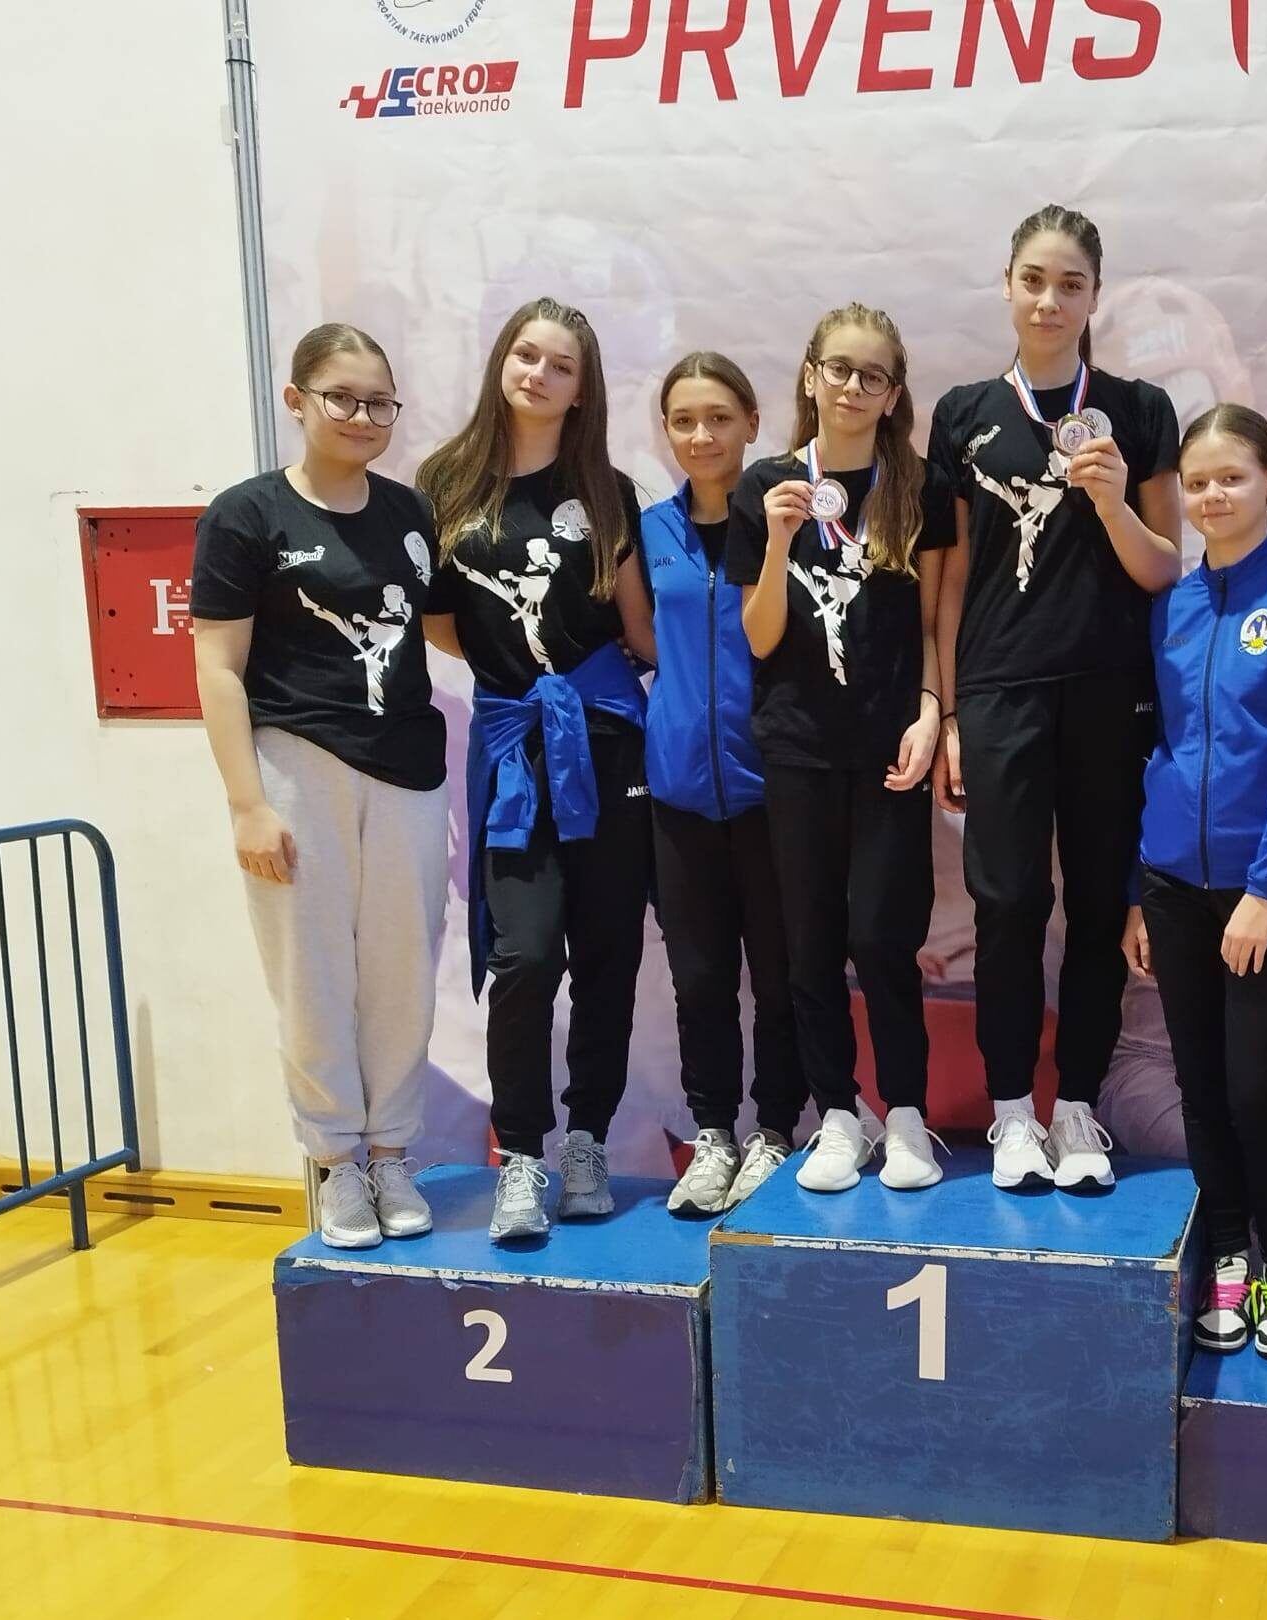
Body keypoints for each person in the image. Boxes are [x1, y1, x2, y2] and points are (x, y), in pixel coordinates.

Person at [928, 204, 1183, 1193]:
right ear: (1007, 285)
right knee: (1005, 904)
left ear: (1093, 297)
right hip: (999, 692)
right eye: (1033, 279)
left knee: (1095, 900)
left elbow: (1163, 566)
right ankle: (1009, 1113)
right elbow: (951, 578)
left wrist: (1111, 500)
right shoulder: (962, 413)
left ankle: (1074, 1106)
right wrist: (951, 712)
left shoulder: (1137, 409)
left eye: (1069, 284)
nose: (1048, 299)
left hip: (1109, 692)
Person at [190, 323, 448, 1250]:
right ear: (297, 399)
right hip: (296, 767)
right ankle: (337, 1162)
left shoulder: (411, 513)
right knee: (311, 975)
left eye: (380, 402)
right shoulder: (246, 515)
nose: (363, 416)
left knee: (402, 976)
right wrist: (247, 805)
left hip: (409, 772)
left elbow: (444, 627)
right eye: (342, 397)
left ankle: (392, 1153)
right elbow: (217, 665)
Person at [416, 297, 654, 1243]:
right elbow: (443, 626)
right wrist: (520, 678)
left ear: (583, 389)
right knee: (521, 957)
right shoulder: (445, 484)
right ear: (501, 362)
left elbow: (638, 630)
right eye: (527, 355)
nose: (539, 375)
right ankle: (519, 1153)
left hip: (607, 743)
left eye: (561, 365)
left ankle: (585, 1142)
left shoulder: (608, 490)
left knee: (607, 951)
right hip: (516, 743)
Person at [1122, 405, 1267, 1357]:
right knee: (1203, 1088)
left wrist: (1265, 888)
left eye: (1233, 477)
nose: (1213, 496)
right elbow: (1160, 750)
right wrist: (1138, 890)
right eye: (1198, 482)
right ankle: (1225, 1254)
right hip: (1174, 886)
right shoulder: (1173, 603)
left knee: (1260, 1091)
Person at [729, 303, 954, 1193]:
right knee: (811, 942)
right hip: (798, 745)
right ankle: (836, 1114)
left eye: (873, 376)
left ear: (894, 394)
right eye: (840, 369)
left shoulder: (919, 488)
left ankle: (905, 1115)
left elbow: (935, 621)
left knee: (884, 936)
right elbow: (757, 637)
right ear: (810, 374)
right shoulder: (766, 487)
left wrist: (932, 712)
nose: (854, 387)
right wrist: (780, 540)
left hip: (890, 747)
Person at [643, 352, 807, 1214]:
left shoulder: (787, 520)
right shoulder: (647, 531)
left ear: (751, 423)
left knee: (779, 976)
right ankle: (714, 1134)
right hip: (677, 791)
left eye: (718, 417)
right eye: (683, 420)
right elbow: (641, 638)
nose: (701, 435)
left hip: (771, 786)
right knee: (700, 979)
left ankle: (775, 1130)